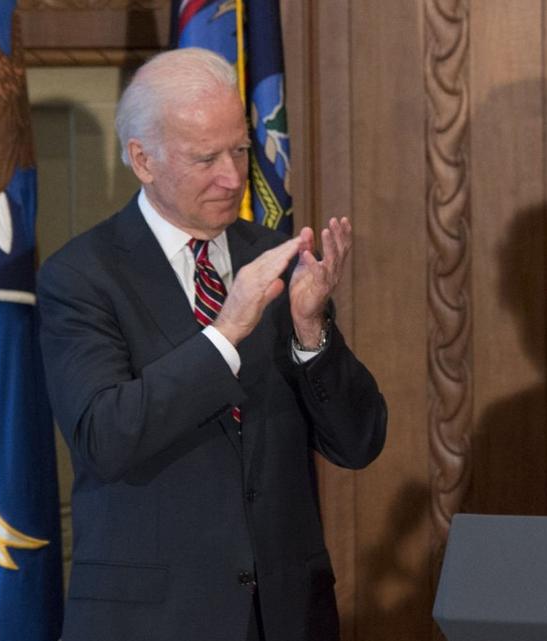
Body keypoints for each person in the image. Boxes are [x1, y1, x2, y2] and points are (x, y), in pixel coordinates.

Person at [37, 48, 386, 641]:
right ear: (142, 160)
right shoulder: (81, 275)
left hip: (286, 616)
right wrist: (226, 332)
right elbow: (106, 437)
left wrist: (310, 331)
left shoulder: (272, 257)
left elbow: (359, 443)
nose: (233, 177)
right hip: (151, 619)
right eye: (206, 158)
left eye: (241, 151)